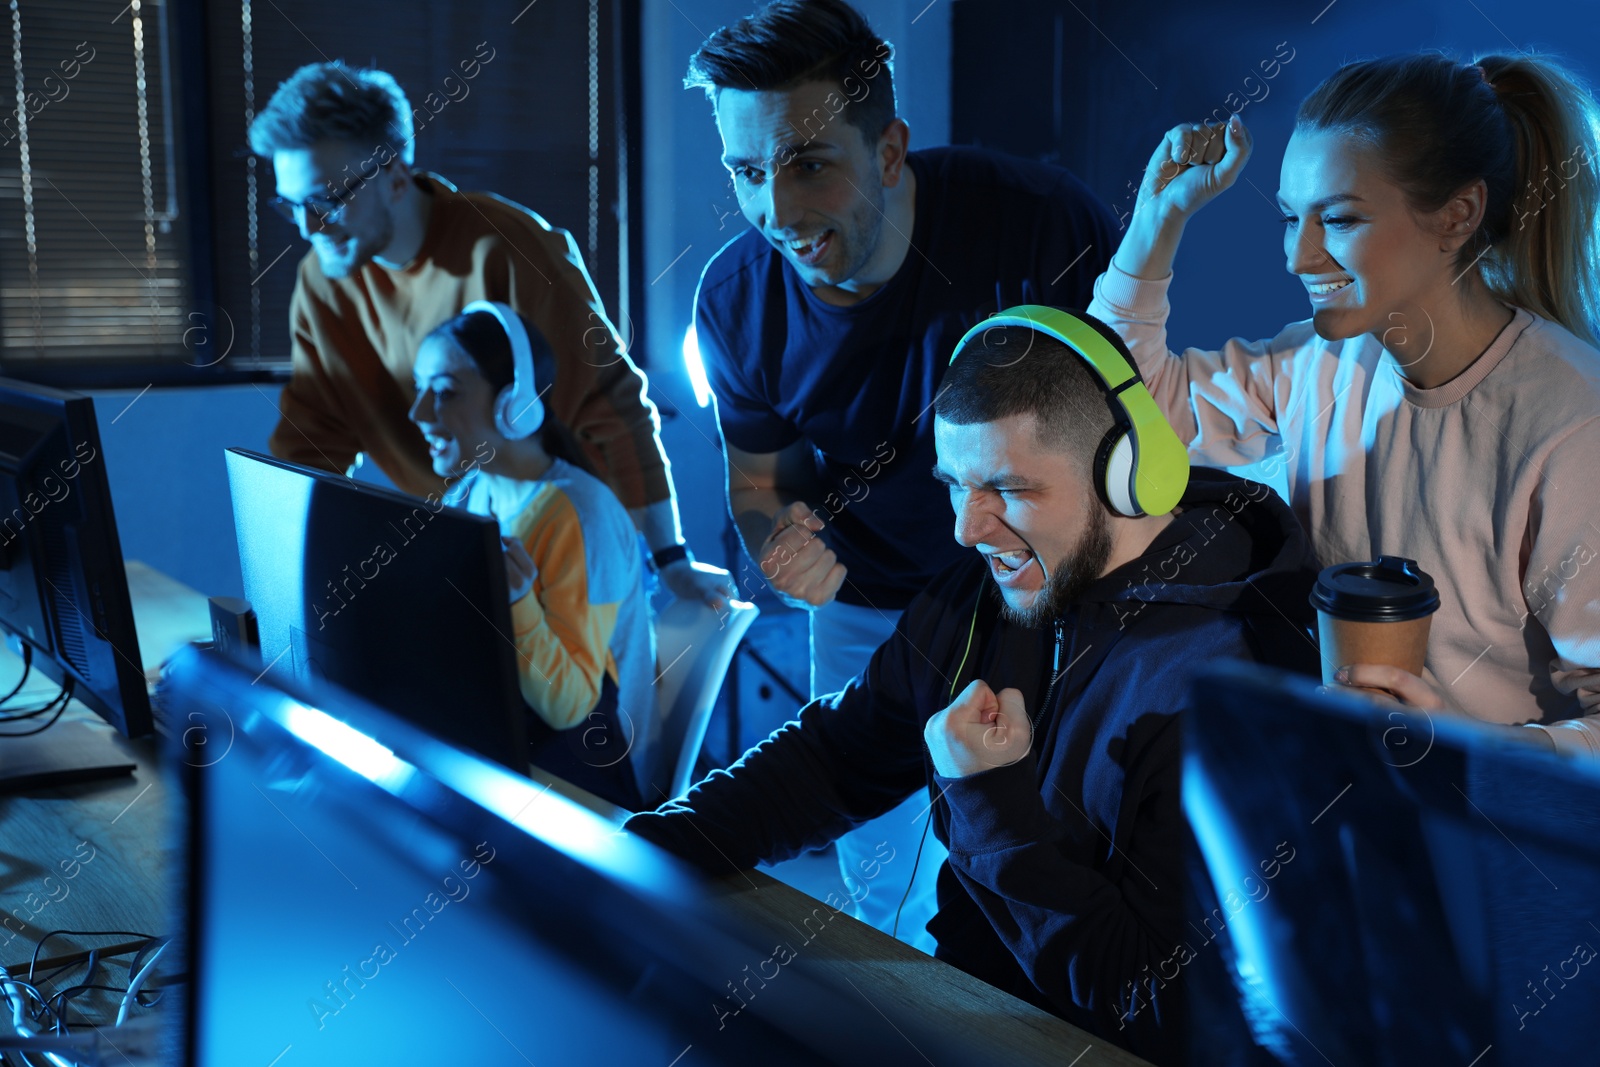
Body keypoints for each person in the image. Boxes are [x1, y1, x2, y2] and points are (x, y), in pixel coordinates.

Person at [627, 307, 1324, 1063]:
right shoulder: (986, 590)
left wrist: (991, 804)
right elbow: (840, 753)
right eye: (955, 485)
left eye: (1006, 489)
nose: (967, 527)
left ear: (1128, 474)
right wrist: (651, 844)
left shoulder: (1225, 676)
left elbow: (1154, 996)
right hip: (962, 1018)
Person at [686, 0, 1119, 949]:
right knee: (882, 894)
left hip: (1038, 602)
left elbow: (1136, 440)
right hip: (871, 610)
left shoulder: (1042, 226)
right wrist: (776, 546)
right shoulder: (734, 298)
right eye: (747, 172)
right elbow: (760, 485)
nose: (776, 210)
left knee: (1037, 884)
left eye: (808, 165)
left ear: (888, 152)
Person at [1094, 52, 1600, 752]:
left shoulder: (1575, 423)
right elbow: (1129, 411)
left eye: (1336, 219)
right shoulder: (1317, 360)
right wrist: (1160, 218)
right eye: (1288, 219)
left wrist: (1459, 748)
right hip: (1340, 793)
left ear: (1458, 215)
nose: (1297, 257)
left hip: (1485, 832)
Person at [248, 61, 733, 610]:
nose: (309, 227)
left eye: (326, 200)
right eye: (290, 206)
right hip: (465, 550)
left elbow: (610, 406)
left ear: (396, 178)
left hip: (567, 546)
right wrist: (282, 588)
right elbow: (313, 441)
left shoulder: (506, 247)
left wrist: (669, 560)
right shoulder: (323, 281)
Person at [409, 302, 655, 810]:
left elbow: (571, 707)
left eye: (445, 392)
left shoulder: (578, 513)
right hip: (501, 744)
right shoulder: (475, 492)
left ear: (513, 405)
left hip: (580, 785)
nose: (419, 414)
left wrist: (516, 598)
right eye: (420, 389)